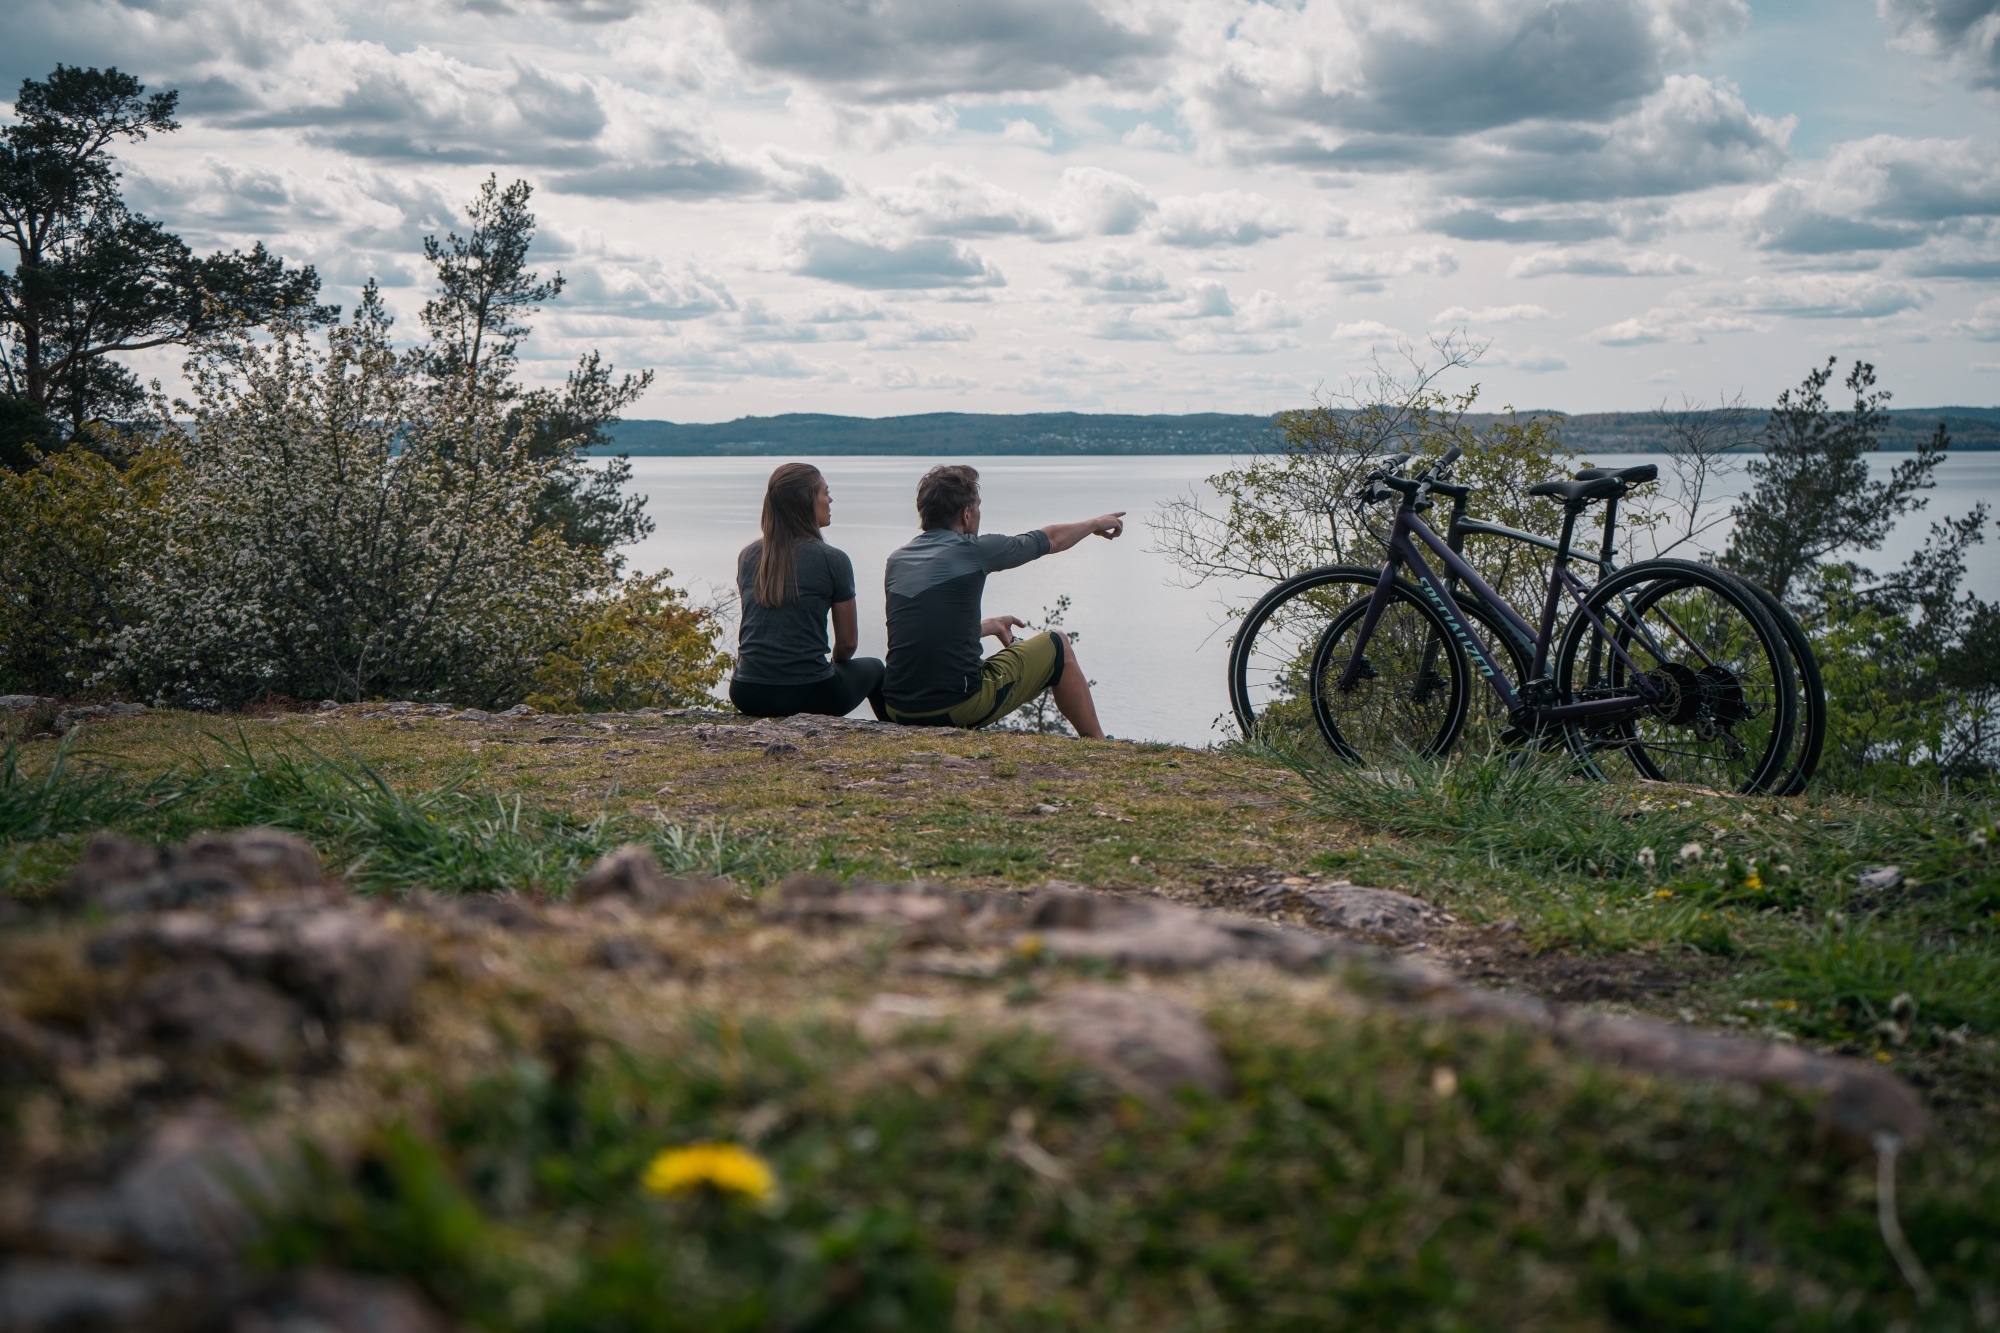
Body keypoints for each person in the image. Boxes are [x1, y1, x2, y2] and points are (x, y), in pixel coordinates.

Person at [882, 464, 1123, 737]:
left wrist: (989, 625)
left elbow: (928, 629)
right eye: (978, 507)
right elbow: (1051, 539)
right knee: (1058, 645)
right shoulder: (973, 550)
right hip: (956, 707)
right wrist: (1094, 523)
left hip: (898, 707)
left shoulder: (897, 560)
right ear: (967, 513)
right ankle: (1098, 744)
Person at [729, 463, 887, 720]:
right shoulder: (832, 559)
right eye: (825, 492)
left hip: (746, 692)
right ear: (807, 502)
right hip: (810, 694)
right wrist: (834, 665)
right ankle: (895, 738)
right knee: (877, 669)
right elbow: (847, 644)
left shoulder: (748, 556)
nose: (830, 499)